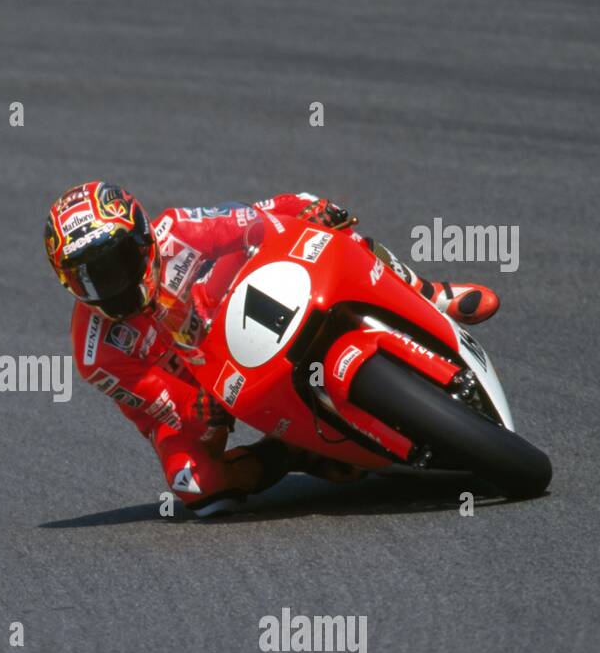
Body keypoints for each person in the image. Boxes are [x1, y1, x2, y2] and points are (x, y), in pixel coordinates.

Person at [42, 181, 499, 516]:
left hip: (230, 311)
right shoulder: (95, 353)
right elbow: (162, 404)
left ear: (142, 238)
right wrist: (198, 408)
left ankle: (428, 291)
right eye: (86, 277)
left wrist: (305, 209)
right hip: (193, 393)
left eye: (116, 263)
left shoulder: (177, 230)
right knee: (196, 488)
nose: (109, 284)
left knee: (323, 228)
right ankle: (292, 452)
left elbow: (254, 220)